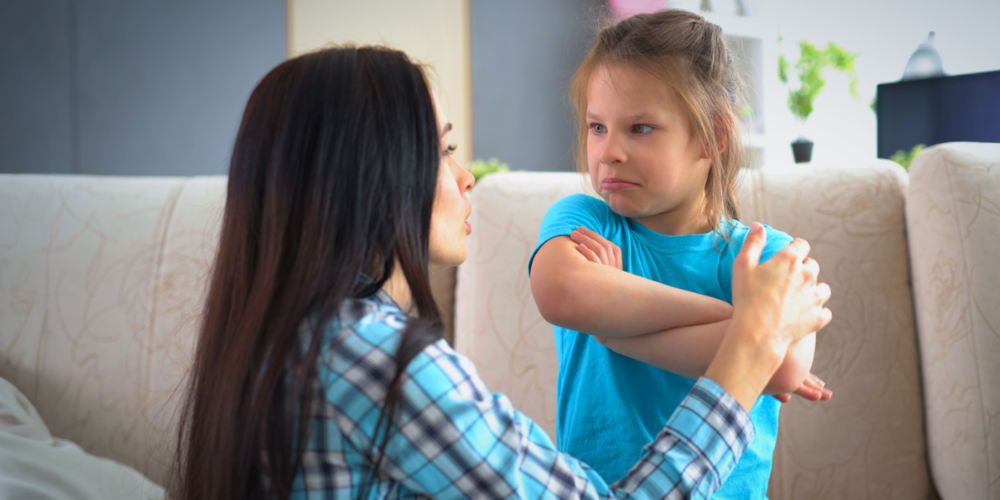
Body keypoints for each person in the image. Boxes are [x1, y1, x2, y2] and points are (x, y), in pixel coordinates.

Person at [174, 44, 831, 500]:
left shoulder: (283, 335)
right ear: (365, 175)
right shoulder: (378, 361)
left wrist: (748, 328)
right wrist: (748, 340)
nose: (466, 177)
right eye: (442, 149)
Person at [528, 10, 829, 499]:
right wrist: (748, 321)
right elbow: (561, 292)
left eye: (640, 128)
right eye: (597, 127)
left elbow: (784, 367)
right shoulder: (581, 220)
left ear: (714, 135)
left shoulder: (765, 254)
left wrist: (614, 328)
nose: (609, 152)